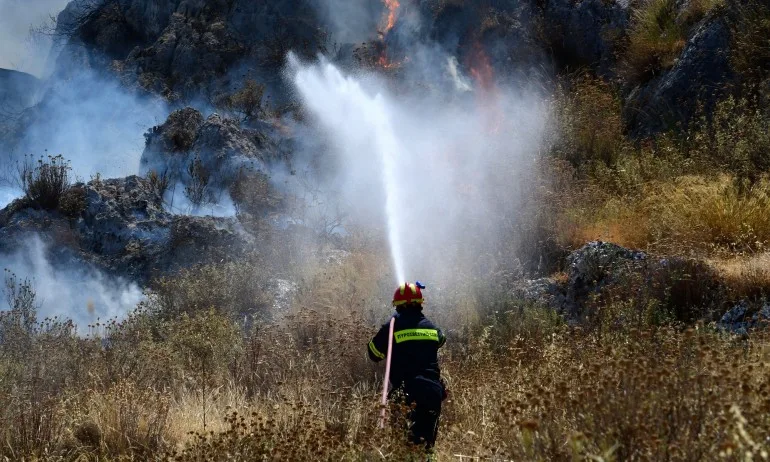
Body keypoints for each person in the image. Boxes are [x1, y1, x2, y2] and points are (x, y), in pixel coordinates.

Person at [367, 282, 447, 451]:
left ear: (398, 306)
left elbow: (374, 353)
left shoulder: (392, 327)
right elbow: (442, 340)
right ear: (420, 304)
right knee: (426, 445)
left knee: (404, 445)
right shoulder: (431, 327)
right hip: (433, 392)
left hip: (407, 393)